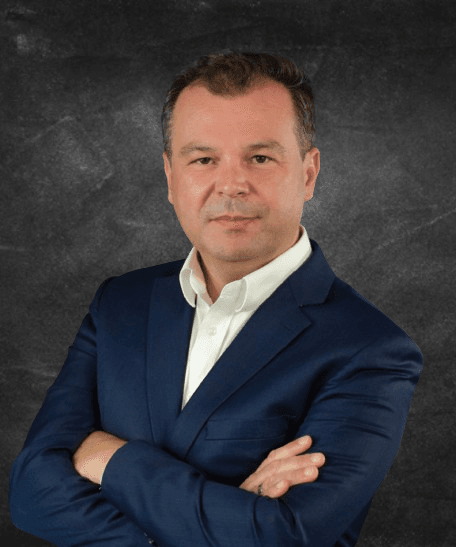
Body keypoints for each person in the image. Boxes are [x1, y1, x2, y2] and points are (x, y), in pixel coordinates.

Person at [9, 51, 423, 547]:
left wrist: (109, 459)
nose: (231, 185)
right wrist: (222, 519)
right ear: (171, 177)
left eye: (260, 158)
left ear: (309, 173)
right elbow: (31, 492)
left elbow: (285, 537)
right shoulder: (119, 304)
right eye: (203, 159)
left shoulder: (372, 350)